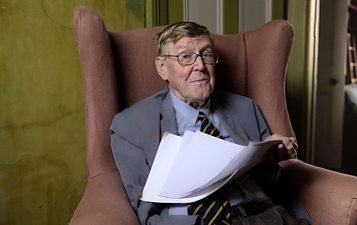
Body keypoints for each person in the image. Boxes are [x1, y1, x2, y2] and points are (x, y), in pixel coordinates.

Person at [110, 21, 310, 225]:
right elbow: (145, 208)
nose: (200, 66)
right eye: (185, 57)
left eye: (206, 55)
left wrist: (271, 161)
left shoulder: (245, 109)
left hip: (261, 218)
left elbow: (276, 187)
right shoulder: (130, 125)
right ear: (162, 68)